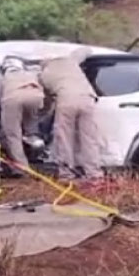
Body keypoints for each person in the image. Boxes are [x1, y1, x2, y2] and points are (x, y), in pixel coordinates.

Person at [39, 47, 103, 182]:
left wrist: (42, 114)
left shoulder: (45, 75)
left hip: (66, 101)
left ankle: (66, 174)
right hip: (88, 98)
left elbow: (47, 101)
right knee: (89, 139)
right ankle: (94, 174)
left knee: (64, 138)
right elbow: (84, 51)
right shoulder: (71, 61)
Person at [0, 56, 45, 168]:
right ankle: (38, 148)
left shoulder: (2, 78)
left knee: (13, 134)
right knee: (30, 128)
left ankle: (22, 167)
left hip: (13, 99)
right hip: (36, 97)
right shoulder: (30, 74)